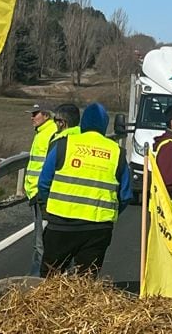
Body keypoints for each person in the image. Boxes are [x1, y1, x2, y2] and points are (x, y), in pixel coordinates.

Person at [37, 102, 127, 274]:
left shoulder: (63, 145)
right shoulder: (117, 152)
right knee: (85, 283)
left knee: (49, 279)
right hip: (98, 228)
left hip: (61, 223)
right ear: (104, 124)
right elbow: (125, 195)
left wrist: (51, 208)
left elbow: (43, 183)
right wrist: (107, 213)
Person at [22, 103, 58, 275]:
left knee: (40, 242)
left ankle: (36, 279)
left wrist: (41, 191)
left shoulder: (50, 133)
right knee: (41, 240)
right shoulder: (42, 133)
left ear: (45, 115)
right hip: (37, 192)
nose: (32, 117)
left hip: (42, 193)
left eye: (35, 114)